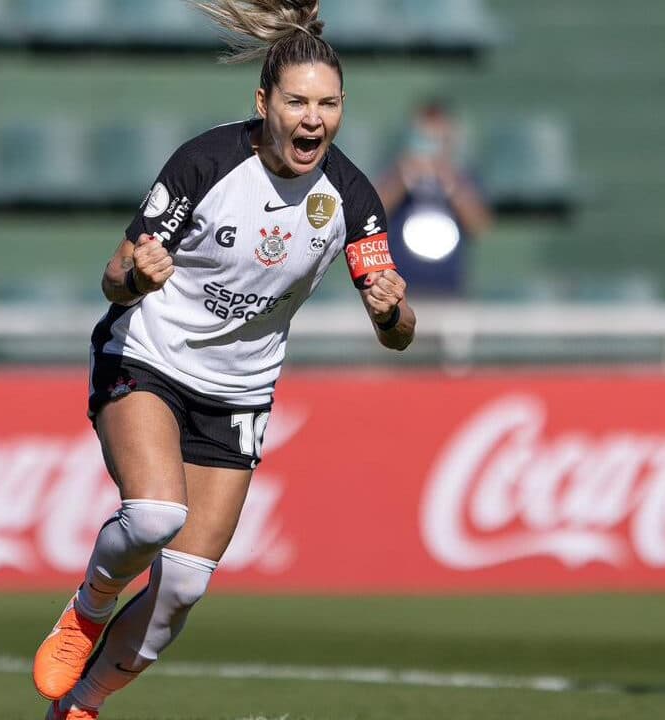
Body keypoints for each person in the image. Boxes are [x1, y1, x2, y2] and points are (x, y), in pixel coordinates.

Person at [30, 2, 416, 718]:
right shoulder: (205, 163)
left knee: (183, 588)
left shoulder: (353, 200)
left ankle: (79, 708)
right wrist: (137, 274)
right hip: (149, 358)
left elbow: (396, 331)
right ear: (263, 103)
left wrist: (393, 309)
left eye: (328, 105)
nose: (313, 119)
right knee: (152, 517)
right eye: (297, 102)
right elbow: (115, 276)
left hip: (238, 393)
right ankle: (87, 609)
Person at [375, 99, 492, 296]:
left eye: (437, 139)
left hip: (450, 288)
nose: (430, 147)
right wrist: (403, 178)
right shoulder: (394, 173)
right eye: (424, 138)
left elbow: (479, 225)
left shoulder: (463, 177)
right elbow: (373, 215)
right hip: (399, 289)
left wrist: (451, 182)